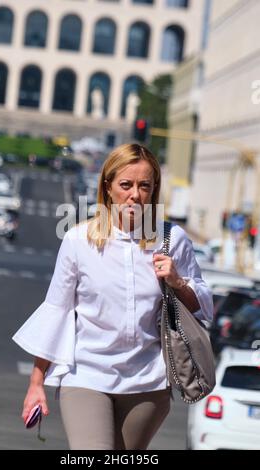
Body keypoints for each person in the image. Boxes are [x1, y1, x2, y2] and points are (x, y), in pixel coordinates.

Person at [13, 143, 213, 450]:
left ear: (154, 189)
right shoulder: (78, 240)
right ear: (108, 187)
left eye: (144, 185)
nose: (135, 194)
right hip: (87, 376)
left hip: (148, 383)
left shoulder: (173, 240)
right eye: (126, 185)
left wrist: (178, 281)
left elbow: (204, 309)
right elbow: (57, 312)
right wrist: (36, 383)